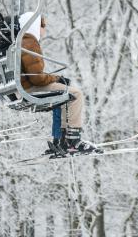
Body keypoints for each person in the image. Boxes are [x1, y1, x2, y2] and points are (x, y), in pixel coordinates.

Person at [19, 12, 99, 154]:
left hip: (23, 87)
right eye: (43, 26)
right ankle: (73, 140)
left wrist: (55, 78)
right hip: (30, 88)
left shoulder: (21, 41)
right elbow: (37, 78)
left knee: (60, 97)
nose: (44, 29)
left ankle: (60, 139)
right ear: (36, 26)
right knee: (75, 93)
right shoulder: (29, 42)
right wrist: (56, 78)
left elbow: (34, 74)